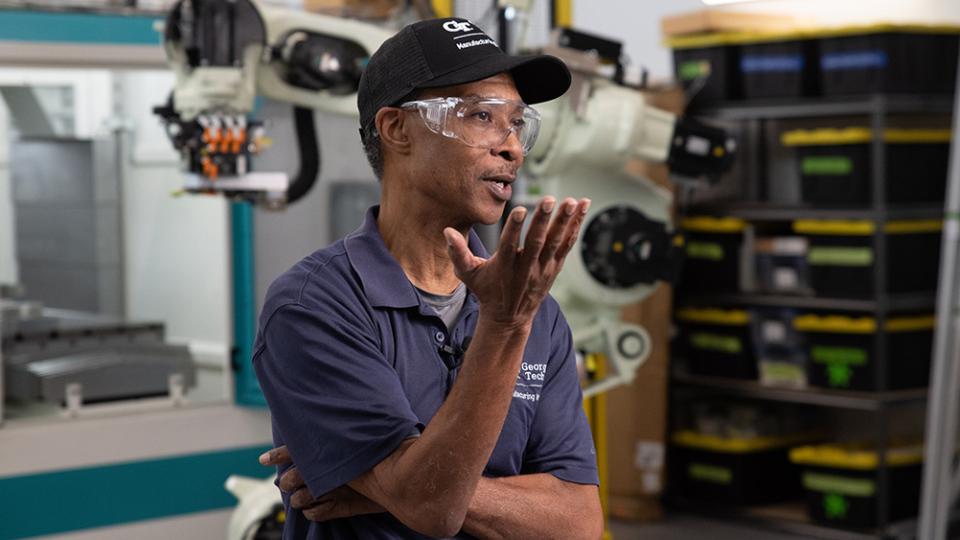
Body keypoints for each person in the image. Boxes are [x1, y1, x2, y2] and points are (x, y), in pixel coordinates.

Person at [253, 15, 603, 539]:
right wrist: (504, 327)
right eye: (481, 116)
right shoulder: (313, 306)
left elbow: (576, 523)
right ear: (396, 129)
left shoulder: (536, 313)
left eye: (516, 123)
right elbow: (432, 510)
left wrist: (380, 489)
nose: (512, 148)